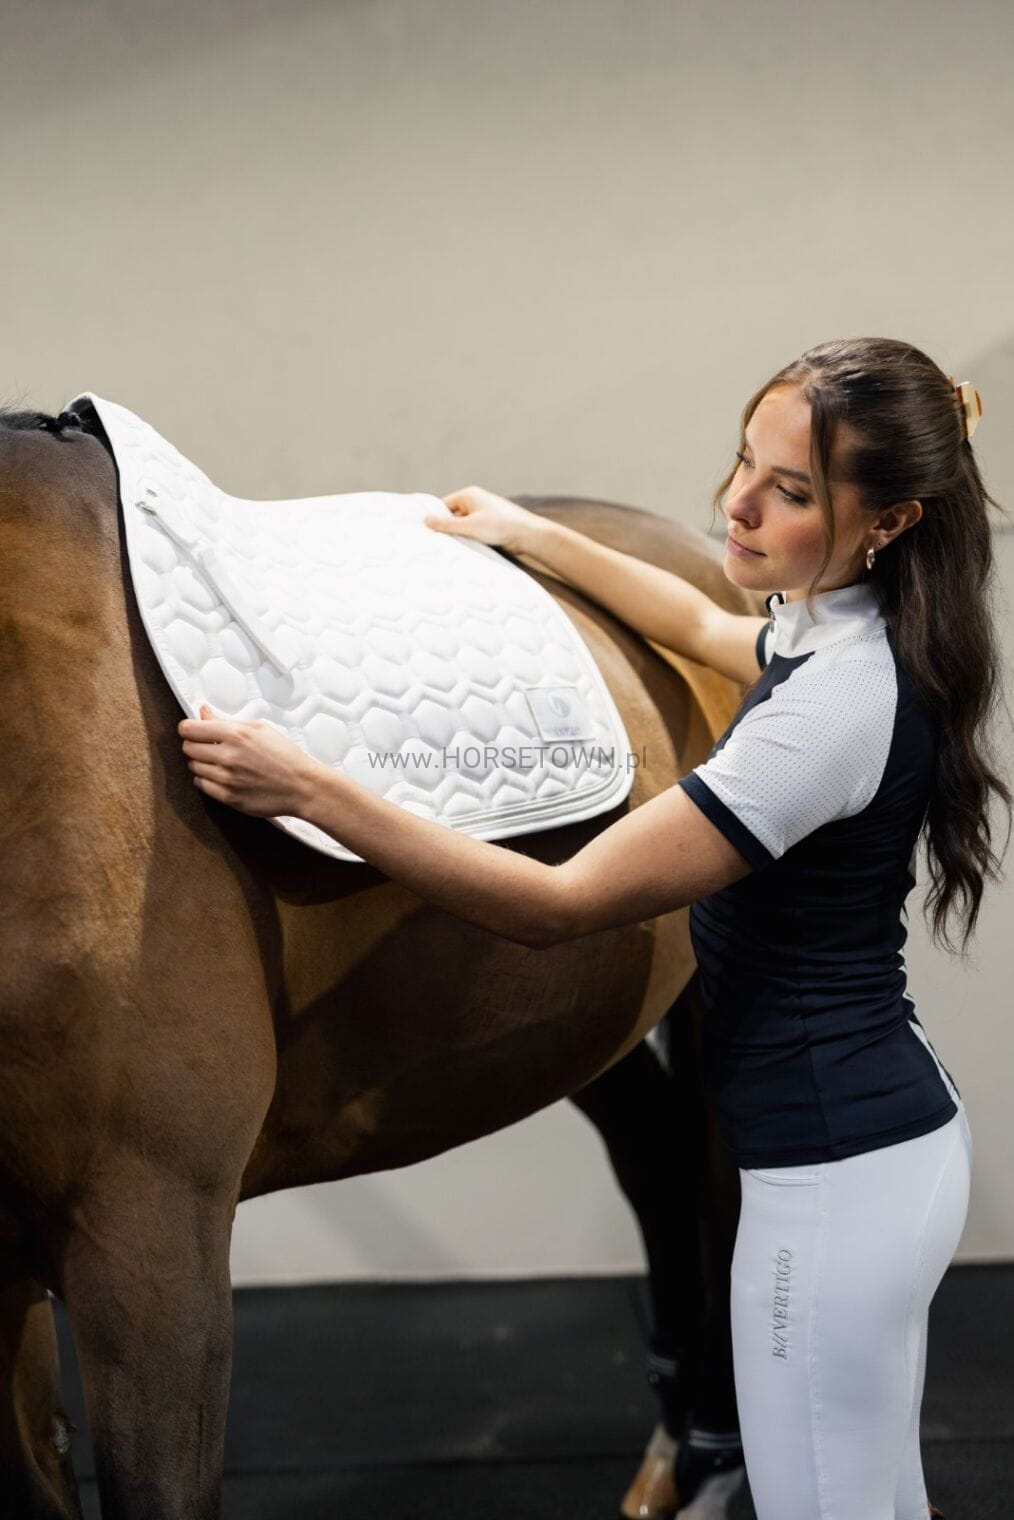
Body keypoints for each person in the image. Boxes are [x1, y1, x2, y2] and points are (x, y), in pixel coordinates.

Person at [177, 337, 1011, 1519]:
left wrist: (310, 789)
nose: (738, 503)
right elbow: (705, 625)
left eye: (790, 491)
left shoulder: (830, 709)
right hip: (867, 1147)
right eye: (745, 462)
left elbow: (558, 903)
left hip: (836, 1180)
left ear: (889, 520)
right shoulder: (843, 627)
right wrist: (538, 535)